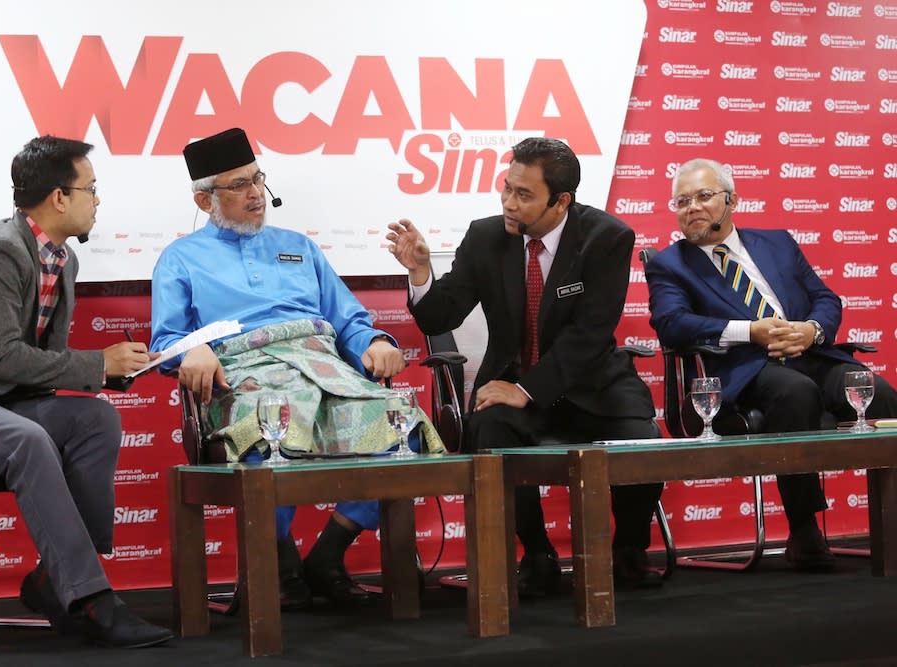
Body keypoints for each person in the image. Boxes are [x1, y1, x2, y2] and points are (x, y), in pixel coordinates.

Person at [0, 136, 174, 648]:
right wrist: (96, 362)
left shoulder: (62, 261)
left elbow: (41, 365)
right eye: (91, 189)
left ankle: (56, 579)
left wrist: (114, 372)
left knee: (97, 420)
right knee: (27, 439)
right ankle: (91, 599)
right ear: (59, 197)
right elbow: (3, 356)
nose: (96, 201)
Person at [151, 127, 441, 610]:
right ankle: (278, 565)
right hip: (246, 375)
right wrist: (190, 350)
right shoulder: (180, 258)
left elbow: (347, 318)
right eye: (238, 185)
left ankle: (327, 555)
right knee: (270, 430)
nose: (254, 194)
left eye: (257, 179)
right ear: (205, 201)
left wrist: (373, 340)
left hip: (322, 367)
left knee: (402, 428)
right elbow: (165, 340)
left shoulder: (299, 247)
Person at [387, 137, 665, 594]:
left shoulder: (606, 237)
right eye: (506, 188)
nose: (509, 204)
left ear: (561, 201)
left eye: (524, 195)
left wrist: (529, 390)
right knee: (490, 429)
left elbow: (590, 334)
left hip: (591, 381)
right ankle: (537, 555)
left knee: (641, 438)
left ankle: (629, 551)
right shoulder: (486, 236)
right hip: (517, 383)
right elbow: (442, 315)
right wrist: (420, 274)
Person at [644, 157, 897, 572]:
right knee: (795, 392)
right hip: (743, 369)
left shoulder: (776, 242)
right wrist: (751, 331)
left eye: (704, 196)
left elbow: (826, 298)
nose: (692, 207)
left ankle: (891, 524)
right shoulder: (669, 264)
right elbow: (672, 325)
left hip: (809, 353)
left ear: (732, 200)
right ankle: (804, 529)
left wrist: (811, 331)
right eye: (682, 201)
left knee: (879, 392)